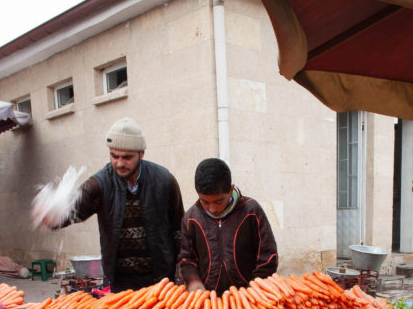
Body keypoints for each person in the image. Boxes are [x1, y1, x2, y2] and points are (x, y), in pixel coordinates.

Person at [43, 117, 184, 292]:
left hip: (160, 280)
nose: (119, 163)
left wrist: (182, 270)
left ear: (142, 153)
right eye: (114, 156)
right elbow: (73, 208)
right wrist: (50, 215)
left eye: (127, 157)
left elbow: (179, 230)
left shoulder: (164, 180)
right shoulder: (101, 184)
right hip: (121, 282)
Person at [178, 158, 278, 294]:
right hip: (208, 302)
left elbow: (268, 257)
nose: (212, 208)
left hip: (249, 299)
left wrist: (252, 290)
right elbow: (186, 259)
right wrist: (193, 280)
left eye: (218, 201)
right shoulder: (191, 218)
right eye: (205, 202)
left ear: (230, 190)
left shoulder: (251, 211)